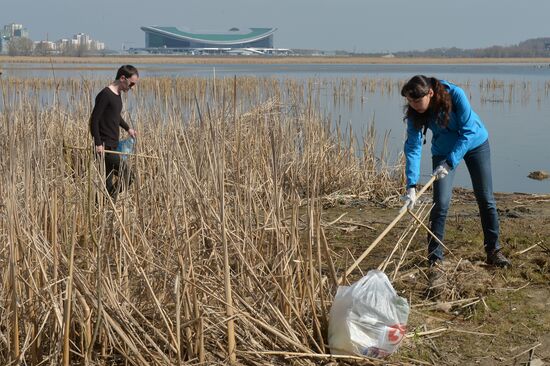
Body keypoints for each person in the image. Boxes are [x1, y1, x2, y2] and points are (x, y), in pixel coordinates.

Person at [401, 75, 510, 269]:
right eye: (410, 101)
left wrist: (451, 162)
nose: (414, 105)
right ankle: (435, 259)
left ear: (430, 93)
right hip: (443, 150)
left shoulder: (456, 95)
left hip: (475, 144)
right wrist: (411, 185)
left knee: (485, 198)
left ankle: (494, 251)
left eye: (417, 100)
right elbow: (413, 147)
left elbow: (468, 131)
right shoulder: (415, 112)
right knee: (440, 203)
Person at [89, 64, 139, 200]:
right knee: (128, 176)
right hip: (105, 148)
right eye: (131, 83)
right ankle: (109, 199)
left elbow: (115, 116)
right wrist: (98, 143)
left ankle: (104, 204)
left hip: (113, 145)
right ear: (123, 78)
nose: (132, 87)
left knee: (107, 182)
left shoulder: (117, 95)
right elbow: (94, 120)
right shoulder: (105, 94)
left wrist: (128, 128)